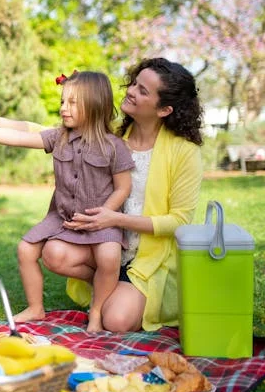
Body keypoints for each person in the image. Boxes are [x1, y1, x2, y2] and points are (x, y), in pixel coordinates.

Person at [0, 71, 134, 332]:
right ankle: (35, 308)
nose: (63, 108)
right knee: (25, 249)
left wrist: (104, 215)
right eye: (62, 101)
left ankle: (97, 312)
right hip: (63, 216)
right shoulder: (59, 137)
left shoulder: (114, 146)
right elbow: (21, 138)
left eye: (72, 102)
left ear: (95, 104)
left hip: (102, 219)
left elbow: (123, 188)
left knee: (109, 258)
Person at [44, 58, 204, 333]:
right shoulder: (111, 134)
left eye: (143, 91)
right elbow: (49, 133)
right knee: (53, 254)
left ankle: (114, 293)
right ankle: (108, 285)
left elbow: (179, 221)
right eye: (134, 84)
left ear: (164, 109)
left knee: (116, 320)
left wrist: (115, 219)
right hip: (102, 245)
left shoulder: (185, 152)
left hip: (146, 258)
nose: (130, 91)